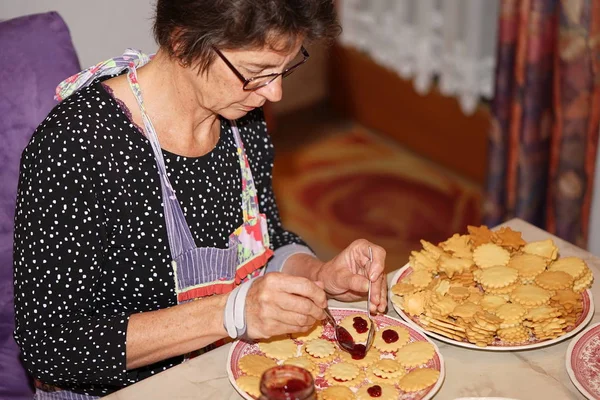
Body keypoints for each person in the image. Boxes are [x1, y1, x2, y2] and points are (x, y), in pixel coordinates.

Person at [12, 1, 387, 398]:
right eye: (257, 73)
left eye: (285, 69)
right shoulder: (78, 146)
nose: (274, 94)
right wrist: (229, 312)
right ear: (183, 42)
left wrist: (316, 274)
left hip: (222, 370)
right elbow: (50, 346)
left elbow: (265, 238)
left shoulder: (242, 118)